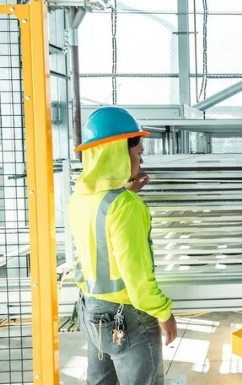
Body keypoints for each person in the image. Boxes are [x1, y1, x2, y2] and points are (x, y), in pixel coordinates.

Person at [69, 106, 177, 385]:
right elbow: (137, 277)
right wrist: (163, 313)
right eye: (138, 153)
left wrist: (125, 191)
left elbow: (101, 232)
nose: (140, 162)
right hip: (127, 318)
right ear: (117, 153)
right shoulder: (125, 207)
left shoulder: (80, 197)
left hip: (92, 311)